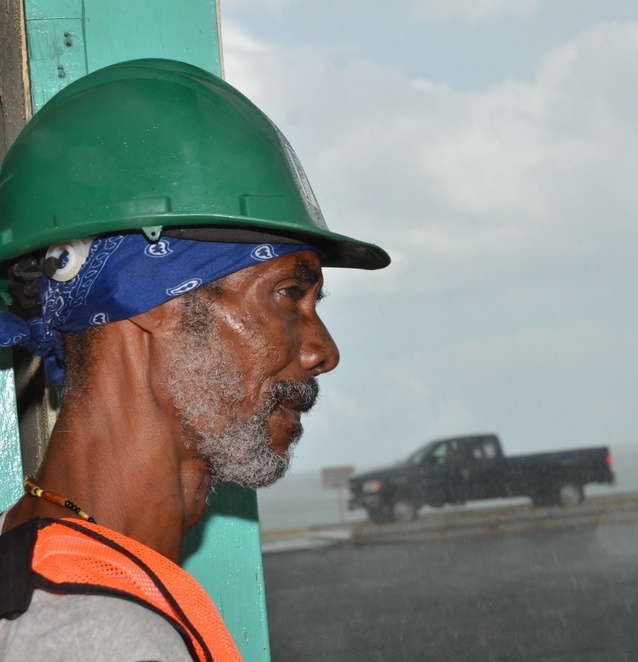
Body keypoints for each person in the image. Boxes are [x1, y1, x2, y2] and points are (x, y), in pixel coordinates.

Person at [0, 59, 389, 661]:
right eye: (289, 294)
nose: (322, 352)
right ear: (154, 300)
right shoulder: (90, 637)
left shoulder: (80, 592)